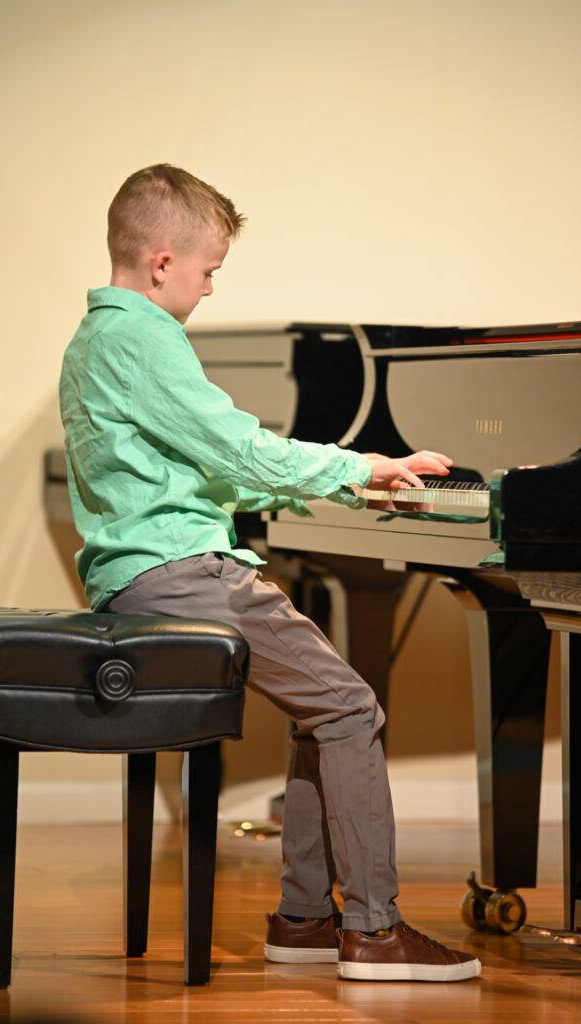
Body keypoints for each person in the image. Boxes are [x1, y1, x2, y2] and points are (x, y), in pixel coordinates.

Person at [60, 164, 481, 984]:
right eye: (208, 269)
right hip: (180, 572)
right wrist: (357, 466)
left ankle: (303, 920)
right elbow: (239, 448)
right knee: (351, 707)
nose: (210, 287)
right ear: (161, 262)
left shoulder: (93, 338)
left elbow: (201, 472)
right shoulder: (143, 336)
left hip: (138, 573)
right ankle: (373, 930)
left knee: (322, 711)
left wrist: (351, 486)